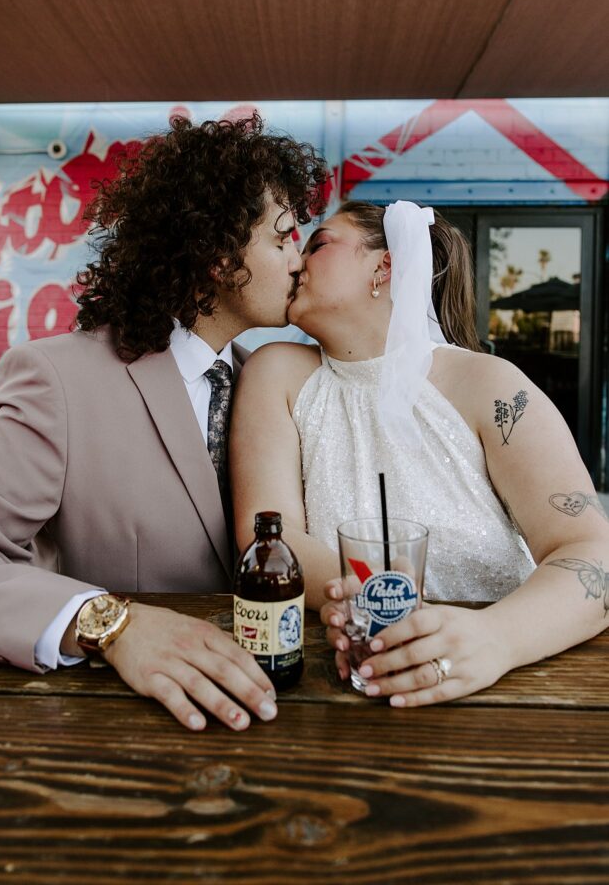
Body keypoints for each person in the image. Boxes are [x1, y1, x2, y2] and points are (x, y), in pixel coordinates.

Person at [0, 114, 327, 732]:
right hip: (115, 736)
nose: (300, 262)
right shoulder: (58, 381)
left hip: (294, 722)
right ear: (220, 257)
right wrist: (110, 624)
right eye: (282, 240)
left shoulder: (277, 390)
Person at [230, 199, 609, 707]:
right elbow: (269, 534)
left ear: (385, 266)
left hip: (513, 684)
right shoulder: (275, 372)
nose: (296, 261)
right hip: (349, 675)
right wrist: (382, 608)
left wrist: (495, 639)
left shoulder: (490, 386)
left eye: (318, 243)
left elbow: (590, 549)